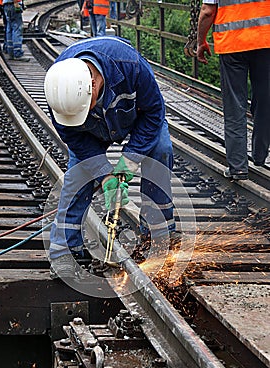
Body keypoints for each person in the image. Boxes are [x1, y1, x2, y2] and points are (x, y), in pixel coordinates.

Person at [44, 37, 176, 280]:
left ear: (93, 83)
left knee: (161, 151)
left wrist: (128, 162)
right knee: (78, 173)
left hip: (136, 118)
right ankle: (64, 250)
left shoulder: (130, 66)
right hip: (90, 131)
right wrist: (105, 175)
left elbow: (154, 112)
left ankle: (160, 235)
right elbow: (76, 140)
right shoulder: (60, 89)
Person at [197, 0, 270, 180]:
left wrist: (201, 41)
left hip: (232, 45)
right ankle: (260, 157)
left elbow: (207, 11)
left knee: (234, 105)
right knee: (265, 100)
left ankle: (238, 167)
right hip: (265, 41)